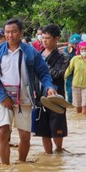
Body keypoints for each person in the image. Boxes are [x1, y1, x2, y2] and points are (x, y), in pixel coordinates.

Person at [0, 17, 57, 165]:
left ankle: (21, 164)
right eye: (7, 32)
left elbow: (43, 73)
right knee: (3, 132)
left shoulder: (31, 53)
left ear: (21, 32)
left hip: (25, 98)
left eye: (13, 32)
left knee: (25, 136)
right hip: (3, 98)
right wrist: (2, 96)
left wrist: (49, 87)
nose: (10, 35)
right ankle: (5, 167)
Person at [33, 24, 69, 154]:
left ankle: (59, 151)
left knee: (57, 128)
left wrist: (42, 71)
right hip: (39, 97)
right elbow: (32, 75)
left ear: (56, 39)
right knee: (43, 130)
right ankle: (48, 155)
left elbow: (58, 73)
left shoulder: (63, 56)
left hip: (56, 97)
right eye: (42, 38)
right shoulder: (37, 55)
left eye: (47, 38)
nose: (44, 41)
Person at [64, 41, 86, 114]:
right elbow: (69, 70)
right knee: (78, 106)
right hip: (75, 85)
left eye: (85, 49)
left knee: (85, 106)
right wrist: (62, 77)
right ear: (79, 50)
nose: (84, 51)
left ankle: (85, 122)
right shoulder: (75, 59)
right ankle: (80, 122)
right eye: (82, 49)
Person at [65, 34, 81, 103]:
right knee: (69, 87)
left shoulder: (83, 49)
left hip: (80, 72)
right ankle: (70, 102)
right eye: (74, 43)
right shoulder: (67, 50)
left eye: (77, 43)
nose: (75, 45)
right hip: (70, 71)